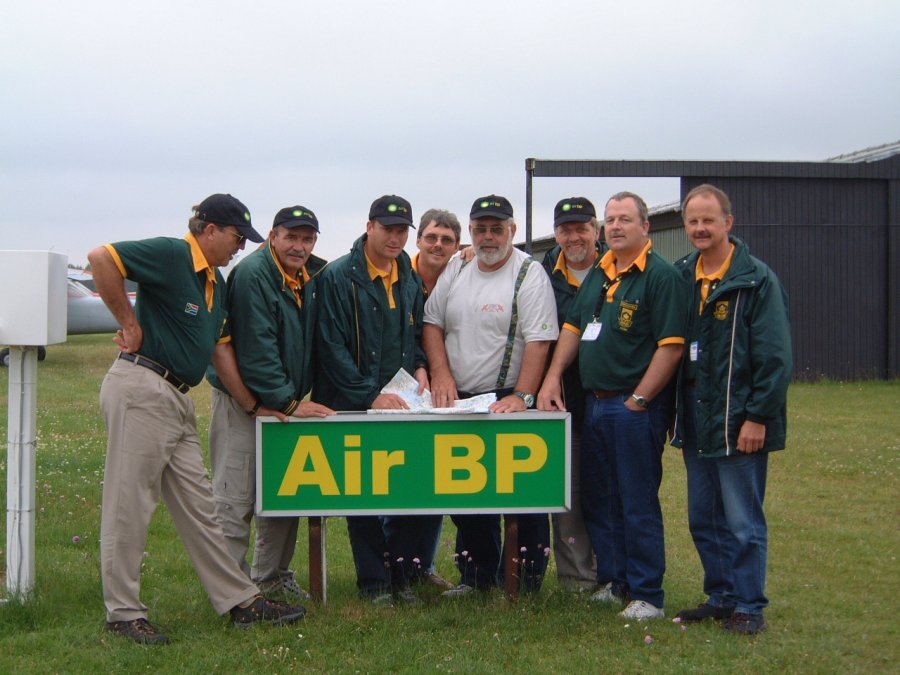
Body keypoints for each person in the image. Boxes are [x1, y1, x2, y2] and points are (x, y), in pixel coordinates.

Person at [87, 194, 306, 645]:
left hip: (178, 398)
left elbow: (219, 349)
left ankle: (240, 600)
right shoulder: (172, 254)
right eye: (234, 236)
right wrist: (128, 323)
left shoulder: (216, 283)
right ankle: (124, 613)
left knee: (201, 508)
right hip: (141, 388)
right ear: (208, 229)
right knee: (130, 507)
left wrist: (251, 404)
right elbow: (100, 258)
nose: (239, 247)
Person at [537, 191, 688, 620]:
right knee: (602, 501)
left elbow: (671, 347)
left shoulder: (659, 276)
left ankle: (648, 594)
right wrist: (551, 378)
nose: (617, 226)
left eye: (625, 219)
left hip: (634, 407)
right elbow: (572, 326)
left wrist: (640, 399)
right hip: (596, 405)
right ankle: (616, 580)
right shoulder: (603, 273)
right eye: (611, 220)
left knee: (636, 502)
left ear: (646, 227)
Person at [671, 184, 792, 635]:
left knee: (743, 520)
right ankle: (720, 596)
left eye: (709, 220)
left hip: (740, 421)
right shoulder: (683, 275)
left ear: (729, 223)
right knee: (704, 517)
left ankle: (749, 606)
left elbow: (775, 357)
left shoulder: (756, 279)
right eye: (693, 221)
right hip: (699, 420)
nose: (700, 228)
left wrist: (758, 416)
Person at [424, 194, 559, 596]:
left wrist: (523, 396)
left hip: (508, 397)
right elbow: (432, 323)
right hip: (460, 396)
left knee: (522, 492)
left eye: (496, 228)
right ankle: (477, 576)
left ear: (512, 231)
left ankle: (525, 579)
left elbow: (539, 341)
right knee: (466, 490)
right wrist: (441, 373)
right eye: (480, 228)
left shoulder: (529, 273)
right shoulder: (458, 266)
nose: (487, 236)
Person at [206, 204, 335, 603]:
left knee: (284, 491)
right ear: (273, 237)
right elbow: (256, 349)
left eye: (306, 238)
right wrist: (288, 402)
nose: (299, 246)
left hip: (286, 402)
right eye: (291, 237)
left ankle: (272, 577)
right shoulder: (253, 274)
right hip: (246, 401)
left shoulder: (311, 275)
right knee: (236, 497)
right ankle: (230, 590)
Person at [312, 194, 434, 605]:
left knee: (405, 487)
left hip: (400, 402)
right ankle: (375, 584)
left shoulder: (409, 275)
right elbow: (330, 347)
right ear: (369, 227)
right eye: (388, 229)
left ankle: (403, 576)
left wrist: (419, 367)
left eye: (402, 230)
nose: (396, 237)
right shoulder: (338, 276)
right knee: (362, 494)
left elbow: (415, 335)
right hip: (353, 402)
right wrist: (370, 396)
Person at [540, 197, 604, 593]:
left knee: (612, 492)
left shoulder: (620, 268)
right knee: (568, 498)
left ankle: (618, 574)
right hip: (564, 400)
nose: (573, 235)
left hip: (614, 400)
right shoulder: (541, 273)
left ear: (596, 230)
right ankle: (577, 581)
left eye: (581, 227)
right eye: (565, 229)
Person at [409, 208, 463, 590]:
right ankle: (397, 566)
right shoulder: (400, 276)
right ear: (419, 241)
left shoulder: (462, 274)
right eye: (432, 237)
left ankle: (422, 566)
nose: (438, 245)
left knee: (437, 480)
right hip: (405, 387)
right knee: (401, 477)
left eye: (446, 239)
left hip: (447, 392)